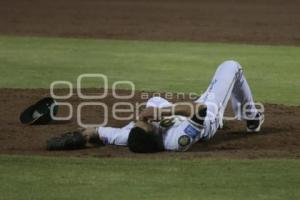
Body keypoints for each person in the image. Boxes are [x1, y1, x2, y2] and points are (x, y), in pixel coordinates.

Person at [47, 60, 264, 153]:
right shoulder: (177, 140)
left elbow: (94, 134)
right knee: (232, 66)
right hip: (207, 114)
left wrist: (70, 141)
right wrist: (160, 112)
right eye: (145, 123)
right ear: (154, 134)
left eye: (137, 124)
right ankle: (251, 116)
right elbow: (198, 109)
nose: (139, 120)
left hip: (178, 114)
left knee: (151, 103)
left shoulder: (130, 137)